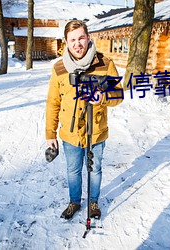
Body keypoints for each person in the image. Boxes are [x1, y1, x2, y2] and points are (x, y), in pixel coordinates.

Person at [45, 20, 123, 220]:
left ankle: (94, 202)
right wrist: (50, 134)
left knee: (95, 168)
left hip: (96, 131)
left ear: (88, 38)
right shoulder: (59, 68)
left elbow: (118, 95)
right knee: (73, 170)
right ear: (66, 42)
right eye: (72, 40)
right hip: (70, 134)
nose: (77, 43)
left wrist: (103, 97)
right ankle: (74, 202)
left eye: (81, 38)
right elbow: (53, 102)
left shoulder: (105, 64)